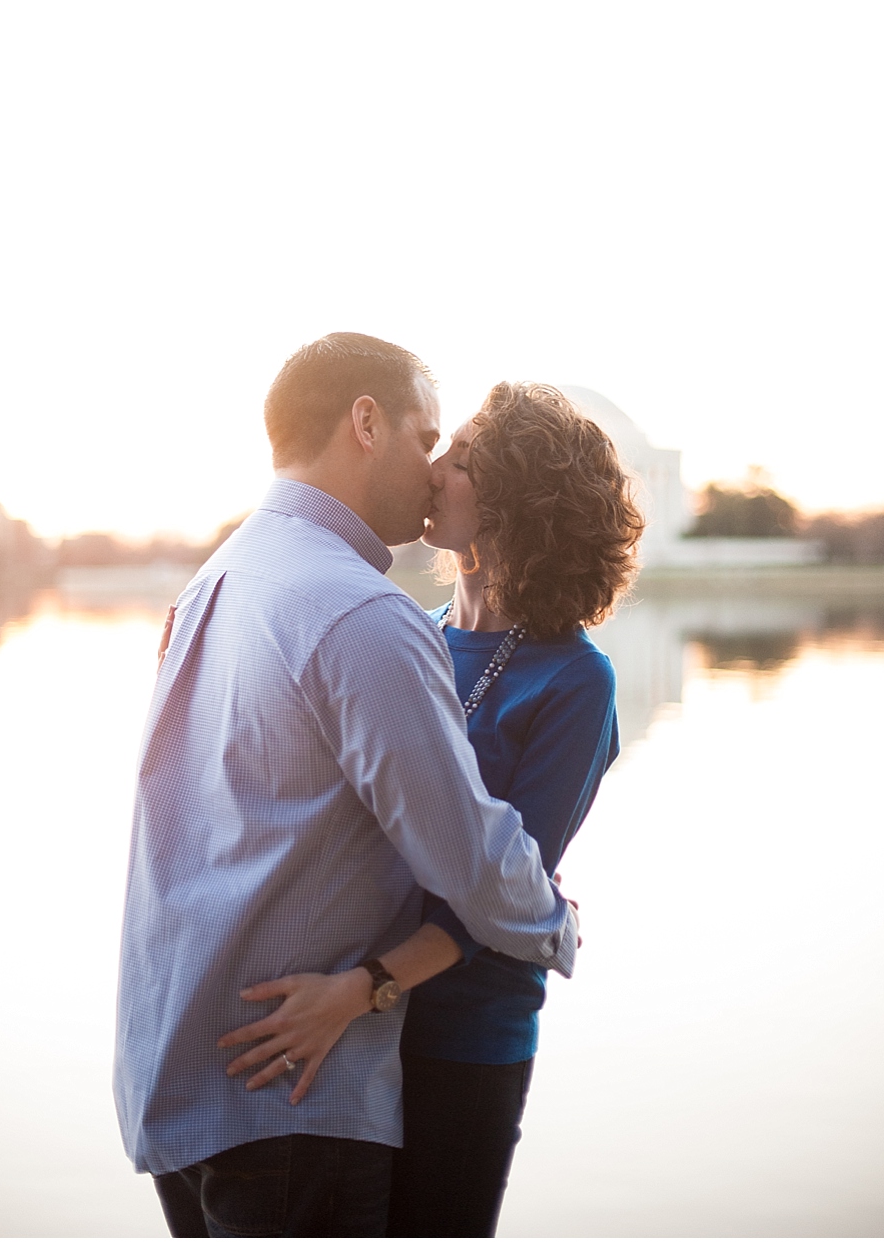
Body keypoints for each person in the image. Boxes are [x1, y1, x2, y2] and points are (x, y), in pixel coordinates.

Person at [113, 334, 579, 1239]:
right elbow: (476, 864)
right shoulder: (362, 613)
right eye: (425, 434)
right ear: (366, 423)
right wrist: (555, 922)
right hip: (290, 1098)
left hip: (177, 1067)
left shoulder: (222, 577)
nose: (436, 466)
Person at [222, 381, 643, 1236]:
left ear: (516, 503)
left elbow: (499, 886)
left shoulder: (573, 679)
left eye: (462, 459)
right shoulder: (400, 631)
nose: (433, 467)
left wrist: (362, 989)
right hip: (348, 1018)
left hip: (460, 1030)